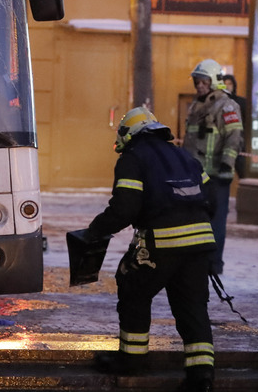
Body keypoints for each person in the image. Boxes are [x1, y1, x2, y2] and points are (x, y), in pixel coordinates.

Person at [87, 107, 215, 391]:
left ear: (129, 135)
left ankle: (132, 360)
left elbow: (125, 208)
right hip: (199, 245)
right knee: (192, 307)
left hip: (161, 243)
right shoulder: (185, 156)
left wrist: (94, 230)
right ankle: (201, 376)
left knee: (133, 288)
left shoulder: (133, 159)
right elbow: (212, 201)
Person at [182, 59, 243, 276]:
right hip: (195, 175)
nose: (199, 85)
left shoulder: (226, 105)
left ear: (214, 81)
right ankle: (196, 261)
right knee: (195, 220)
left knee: (215, 222)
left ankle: (213, 264)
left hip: (217, 176)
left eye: (203, 81)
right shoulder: (197, 105)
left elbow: (234, 137)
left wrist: (227, 165)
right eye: (197, 81)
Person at [220, 74, 249, 179]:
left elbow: (247, 123)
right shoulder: (217, 103)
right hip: (221, 145)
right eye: (224, 84)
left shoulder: (242, 102)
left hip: (239, 146)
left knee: (244, 176)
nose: (227, 86)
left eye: (230, 84)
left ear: (234, 85)